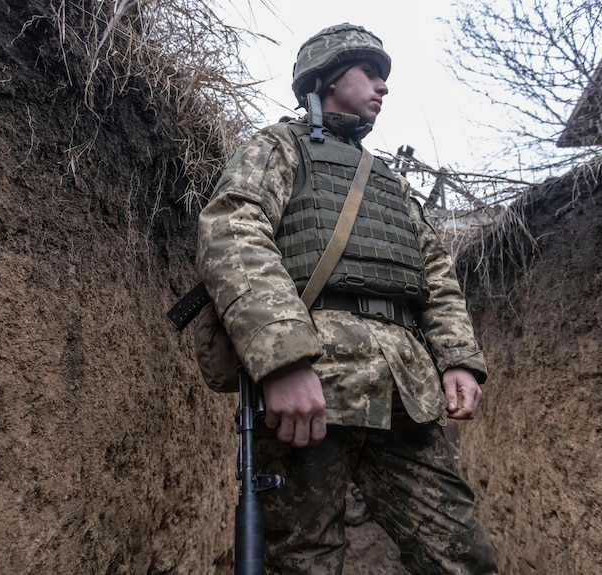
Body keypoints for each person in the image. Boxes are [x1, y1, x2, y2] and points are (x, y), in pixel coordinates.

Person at [197, 23, 498, 575]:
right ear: (329, 77)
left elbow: (435, 272)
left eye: (385, 78)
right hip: (313, 385)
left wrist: (457, 359)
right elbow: (233, 230)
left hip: (407, 391)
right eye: (370, 74)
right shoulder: (276, 147)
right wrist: (285, 359)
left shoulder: (389, 181)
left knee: (463, 555)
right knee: (303, 561)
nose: (384, 87)